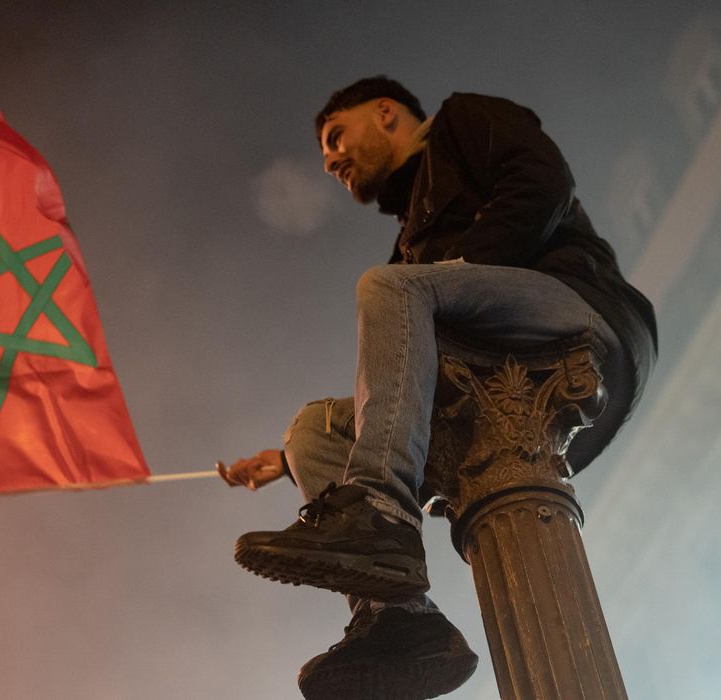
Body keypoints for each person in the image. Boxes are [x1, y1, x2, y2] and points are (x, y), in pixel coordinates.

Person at [219, 76, 657, 700]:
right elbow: (399, 380)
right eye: (324, 154)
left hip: (579, 316)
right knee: (312, 431)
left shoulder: (462, 122)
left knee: (388, 289)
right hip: (489, 362)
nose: (331, 160)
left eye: (337, 137)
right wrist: (291, 464)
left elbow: (543, 182)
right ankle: (401, 620)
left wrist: (454, 279)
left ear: (387, 113)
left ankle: (381, 513)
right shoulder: (410, 247)